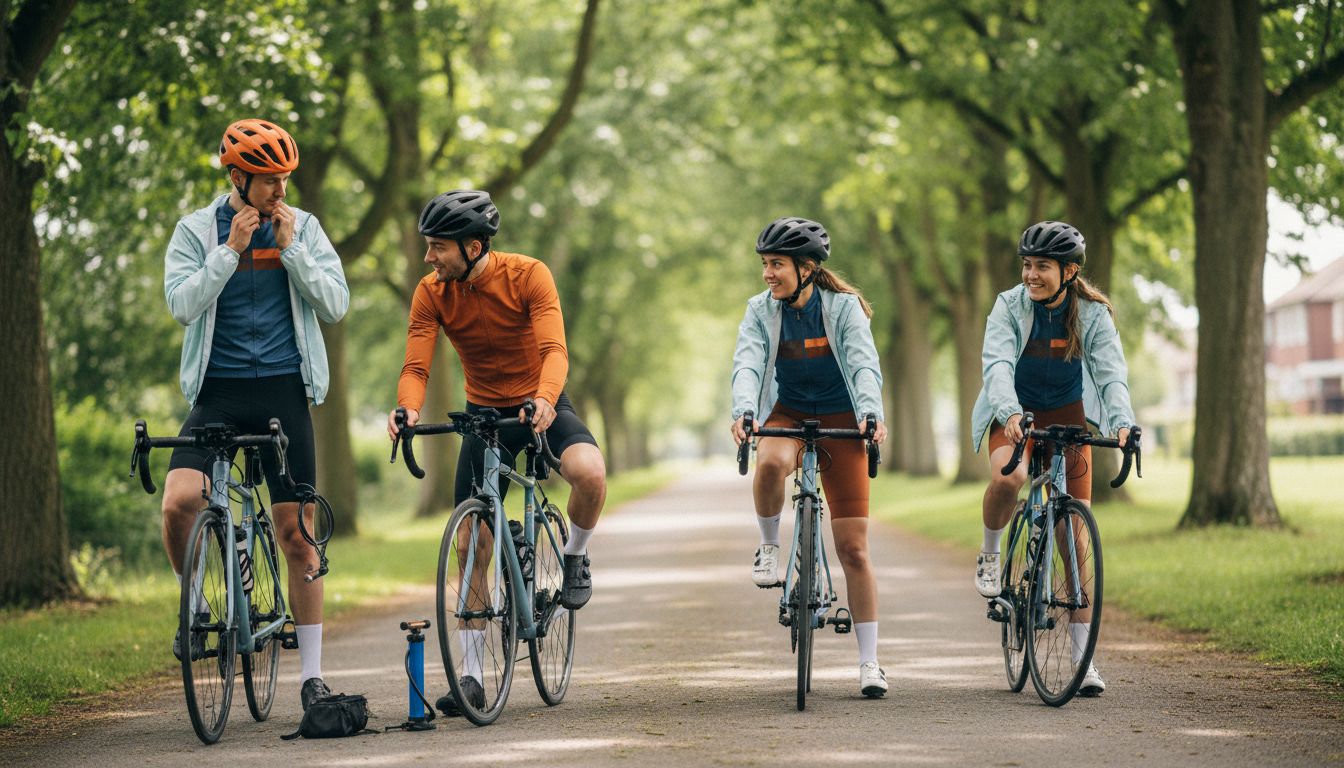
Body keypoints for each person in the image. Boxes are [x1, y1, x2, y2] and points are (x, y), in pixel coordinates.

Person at [388, 189, 608, 714]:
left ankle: (574, 559)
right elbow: (417, 367)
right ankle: (470, 677)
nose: (428, 257)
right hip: (484, 415)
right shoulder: (431, 291)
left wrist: (545, 400)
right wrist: (408, 410)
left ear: (473, 245)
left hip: (542, 402)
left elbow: (555, 350)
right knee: (470, 546)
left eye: (438, 246)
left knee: (591, 475)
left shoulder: (529, 274)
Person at [161, 118, 349, 710]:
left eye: (286, 179)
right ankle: (195, 607)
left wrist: (292, 251)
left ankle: (312, 678)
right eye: (270, 181)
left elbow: (336, 304)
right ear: (238, 178)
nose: (281, 192)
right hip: (216, 392)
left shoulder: (305, 228)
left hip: (283, 392)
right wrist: (229, 252)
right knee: (178, 502)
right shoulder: (195, 230)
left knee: (298, 535)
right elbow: (182, 306)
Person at [970, 220, 1137, 696]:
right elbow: (997, 365)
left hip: (1068, 419)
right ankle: (989, 551)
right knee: (1010, 479)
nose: (1031, 275)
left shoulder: (1092, 314)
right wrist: (1010, 414)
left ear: (1069, 271)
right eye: (1026, 265)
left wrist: (1122, 422)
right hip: (1013, 413)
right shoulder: (1008, 306)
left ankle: (1085, 660)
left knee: (1073, 539)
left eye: (1042, 266)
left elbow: (1110, 375)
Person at [729, 216, 891, 698]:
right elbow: (749, 360)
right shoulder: (761, 310)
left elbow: (864, 364)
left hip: (844, 417)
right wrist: (743, 409)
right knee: (771, 463)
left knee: (854, 550)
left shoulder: (843, 309)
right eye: (764, 264)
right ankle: (769, 546)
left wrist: (868, 413)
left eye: (776, 264)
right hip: (789, 411)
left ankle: (870, 663)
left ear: (806, 268)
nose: (767, 274)